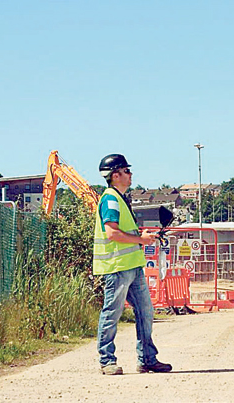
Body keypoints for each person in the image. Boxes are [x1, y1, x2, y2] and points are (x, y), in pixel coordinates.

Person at [93, 153, 172, 375]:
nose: (131, 174)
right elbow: (111, 233)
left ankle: (147, 359)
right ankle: (107, 361)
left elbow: (121, 231)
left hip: (131, 267)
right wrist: (141, 239)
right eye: (127, 171)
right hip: (117, 267)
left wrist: (140, 234)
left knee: (146, 311)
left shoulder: (119, 198)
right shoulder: (110, 199)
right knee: (112, 313)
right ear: (115, 175)